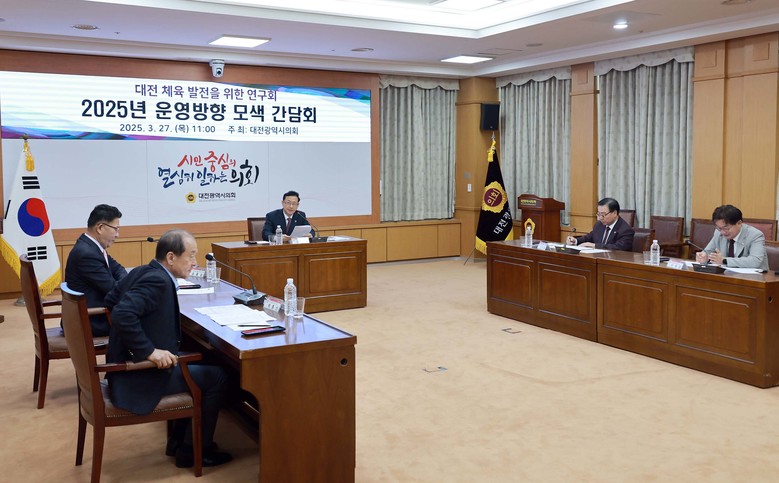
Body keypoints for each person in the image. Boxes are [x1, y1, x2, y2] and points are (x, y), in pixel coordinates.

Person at [104, 229, 232, 468]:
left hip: (125, 371)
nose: (195, 262)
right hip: (137, 377)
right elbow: (122, 313)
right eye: (191, 255)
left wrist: (137, 338)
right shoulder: (158, 281)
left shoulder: (143, 270)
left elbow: (111, 300)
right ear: (171, 257)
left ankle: (177, 442)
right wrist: (149, 351)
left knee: (198, 362)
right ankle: (194, 451)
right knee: (217, 377)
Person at [65, 204, 127, 336]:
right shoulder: (86, 254)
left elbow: (118, 269)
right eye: (116, 229)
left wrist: (124, 283)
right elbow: (113, 290)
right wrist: (129, 285)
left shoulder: (92, 247)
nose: (117, 235)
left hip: (93, 314)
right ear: (100, 228)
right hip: (91, 320)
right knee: (148, 319)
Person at [696, 204, 768, 270]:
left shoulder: (755, 235)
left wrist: (724, 260)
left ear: (739, 223)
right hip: (727, 276)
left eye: (726, 228)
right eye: (719, 228)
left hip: (754, 278)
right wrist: (704, 257)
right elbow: (708, 251)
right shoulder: (718, 233)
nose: (723, 232)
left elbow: (755, 261)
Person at [566, 197, 635, 251]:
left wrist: (595, 246)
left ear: (614, 213)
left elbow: (619, 248)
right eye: (599, 214)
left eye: (603, 214)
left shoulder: (625, 230)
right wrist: (575, 241)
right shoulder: (599, 225)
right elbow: (589, 237)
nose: (600, 218)